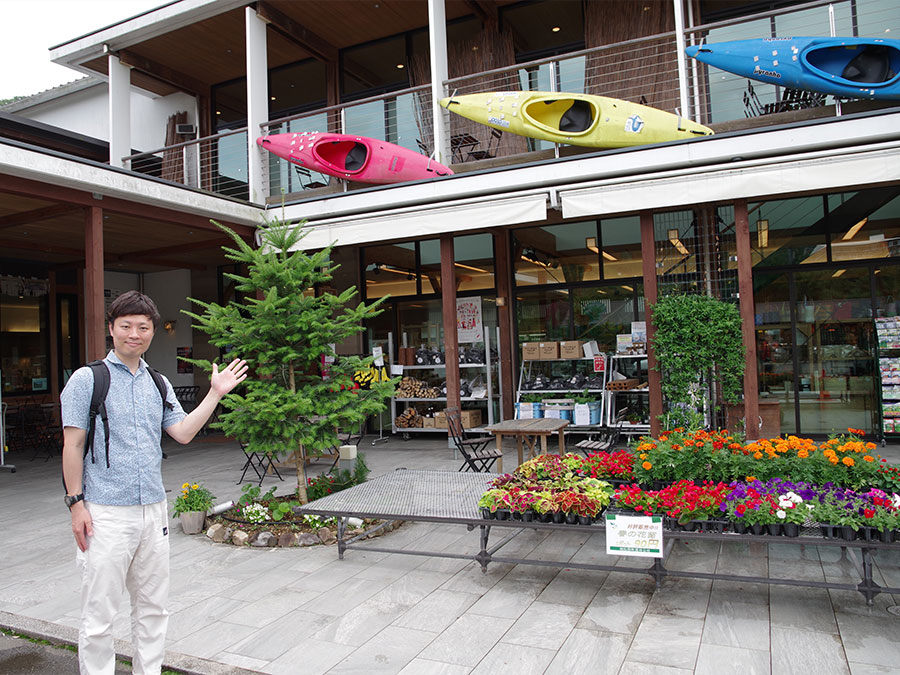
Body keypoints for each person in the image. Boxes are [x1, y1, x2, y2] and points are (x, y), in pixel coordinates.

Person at [60, 290, 247, 675]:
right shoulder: (87, 379)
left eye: (143, 327)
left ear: (151, 333)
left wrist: (215, 393)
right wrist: (76, 504)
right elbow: (73, 443)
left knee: (153, 608)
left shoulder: (157, 383)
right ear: (111, 329)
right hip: (105, 513)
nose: (135, 333)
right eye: (126, 325)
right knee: (99, 615)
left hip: (153, 513)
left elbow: (182, 432)